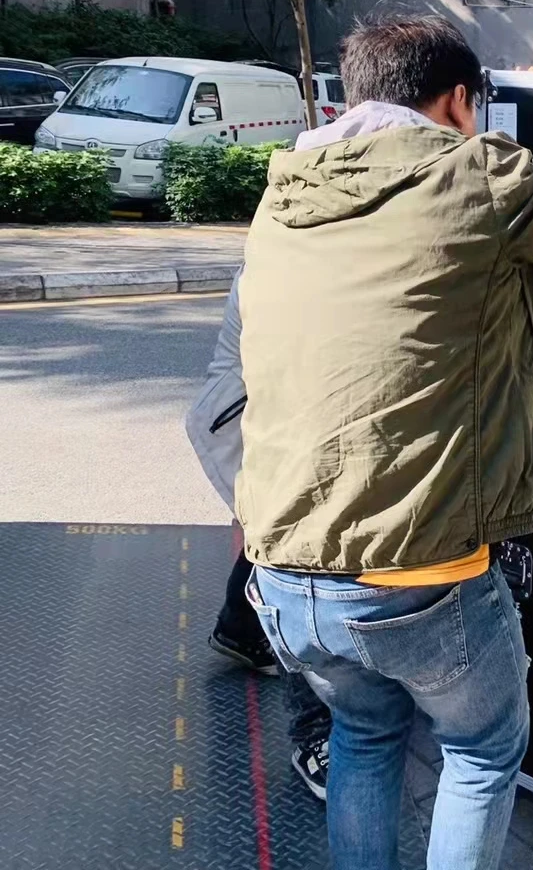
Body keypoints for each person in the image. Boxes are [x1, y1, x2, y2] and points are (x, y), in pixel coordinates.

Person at [236, 15, 533, 870]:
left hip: (285, 575)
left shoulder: (287, 192)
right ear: (459, 103)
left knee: (365, 735)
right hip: (415, 582)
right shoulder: (474, 176)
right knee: (480, 752)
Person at [186, 274, 334, 801]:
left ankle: (238, 630)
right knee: (296, 559)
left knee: (277, 541)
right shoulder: (289, 256)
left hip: (277, 418)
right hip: (256, 418)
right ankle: (315, 733)